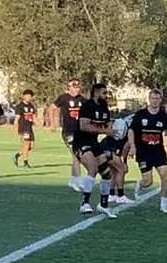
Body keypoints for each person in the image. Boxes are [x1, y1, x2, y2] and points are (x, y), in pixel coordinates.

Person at [128, 89, 167, 213]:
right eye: (153, 98)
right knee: (148, 182)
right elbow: (131, 130)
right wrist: (132, 146)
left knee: (165, 177)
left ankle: (164, 204)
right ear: (149, 100)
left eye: (157, 98)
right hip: (143, 152)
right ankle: (140, 184)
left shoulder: (164, 116)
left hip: (158, 152)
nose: (155, 101)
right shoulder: (141, 114)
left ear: (161, 100)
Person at [74, 83, 117, 218]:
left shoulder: (104, 108)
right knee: (92, 168)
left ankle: (103, 205)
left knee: (107, 173)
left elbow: (107, 124)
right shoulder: (87, 106)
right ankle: (84, 203)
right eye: (104, 93)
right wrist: (105, 130)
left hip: (94, 143)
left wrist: (115, 129)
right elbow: (83, 126)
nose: (106, 95)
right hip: (81, 142)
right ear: (96, 92)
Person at [51, 78, 85, 192]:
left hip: (80, 132)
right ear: (69, 87)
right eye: (73, 87)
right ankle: (77, 180)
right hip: (68, 131)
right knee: (77, 154)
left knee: (78, 155)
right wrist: (53, 123)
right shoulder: (63, 98)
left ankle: (73, 180)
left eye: (78, 87)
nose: (76, 89)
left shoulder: (82, 99)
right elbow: (52, 108)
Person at [99, 118, 134, 204]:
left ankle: (111, 194)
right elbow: (126, 147)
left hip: (102, 149)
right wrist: (124, 162)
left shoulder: (120, 125)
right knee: (121, 170)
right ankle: (120, 196)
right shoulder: (130, 132)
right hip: (108, 150)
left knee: (114, 171)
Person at [13, 89, 38, 168]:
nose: (29, 97)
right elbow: (16, 119)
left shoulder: (31, 106)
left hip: (30, 128)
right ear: (23, 96)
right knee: (26, 144)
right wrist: (15, 129)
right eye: (27, 96)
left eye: (30, 96)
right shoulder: (20, 106)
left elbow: (34, 117)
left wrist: (39, 124)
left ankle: (17, 155)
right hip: (23, 128)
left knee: (31, 146)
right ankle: (25, 163)